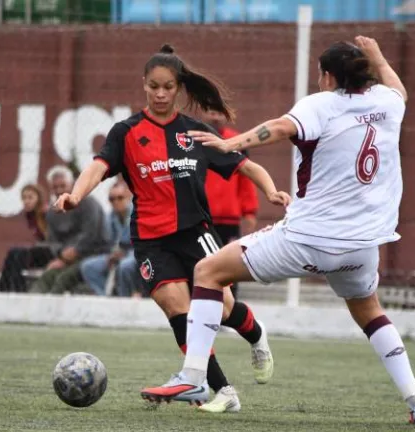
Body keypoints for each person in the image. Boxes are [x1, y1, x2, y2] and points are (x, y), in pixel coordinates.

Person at [140, 36, 415, 425]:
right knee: (370, 313)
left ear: (328, 76)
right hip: (364, 246)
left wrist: (232, 146)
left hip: (308, 239)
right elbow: (398, 88)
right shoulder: (387, 102)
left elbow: (279, 128)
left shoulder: (321, 105)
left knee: (208, 272)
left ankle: (194, 377)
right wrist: (379, 56)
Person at [55, 44, 290, 413]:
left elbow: (247, 167)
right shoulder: (127, 132)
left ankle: (257, 336)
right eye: (153, 87)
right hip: (151, 239)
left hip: (196, 232)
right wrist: (75, 193)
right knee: (176, 307)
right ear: (144, 85)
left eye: (168, 87)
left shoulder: (196, 133)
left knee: (224, 308)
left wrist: (272, 190)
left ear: (179, 88)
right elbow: (98, 168)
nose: (161, 94)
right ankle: (221, 390)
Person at [200, 109, 259, 299]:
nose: (215, 116)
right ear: (201, 113)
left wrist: (249, 211)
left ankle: (231, 310)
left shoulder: (237, 142)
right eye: (211, 112)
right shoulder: (192, 141)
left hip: (228, 219)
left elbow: (246, 178)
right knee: (200, 265)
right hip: (201, 217)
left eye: (219, 113)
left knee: (231, 267)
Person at [31, 165, 109, 295]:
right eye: (55, 187)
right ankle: (32, 305)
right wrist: (62, 255)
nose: (59, 190)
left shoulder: (89, 203)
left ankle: (52, 309)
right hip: (66, 259)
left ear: (72, 185)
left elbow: (92, 234)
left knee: (63, 278)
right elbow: (53, 240)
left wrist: (76, 250)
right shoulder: (53, 212)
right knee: (47, 276)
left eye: (63, 186)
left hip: (93, 255)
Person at [80, 182, 141, 297]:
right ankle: (106, 297)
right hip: (116, 253)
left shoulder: (138, 211)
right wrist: (112, 255)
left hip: (137, 251)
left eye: (120, 198)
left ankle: (125, 298)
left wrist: (122, 251)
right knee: (88, 267)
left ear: (129, 196)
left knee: (125, 265)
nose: (116, 202)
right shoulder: (110, 217)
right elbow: (109, 242)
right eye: (112, 199)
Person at [0, 184, 54, 293]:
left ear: (38, 198)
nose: (26, 201)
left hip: (54, 252)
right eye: (24, 198)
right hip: (43, 249)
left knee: (20, 254)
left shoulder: (46, 213)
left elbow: (51, 238)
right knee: (13, 252)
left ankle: (18, 290)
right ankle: (2, 290)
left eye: (30, 197)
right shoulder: (31, 215)